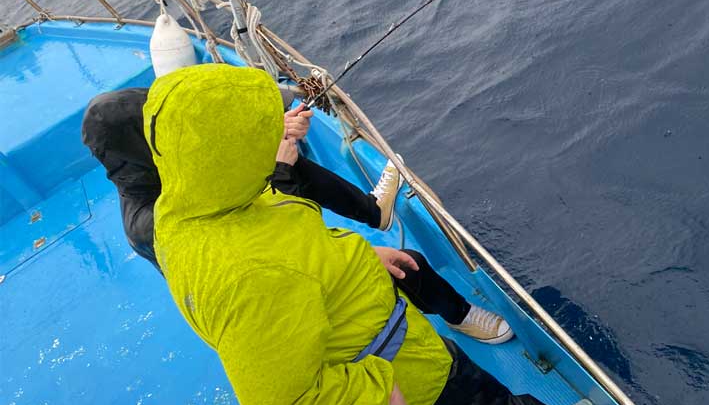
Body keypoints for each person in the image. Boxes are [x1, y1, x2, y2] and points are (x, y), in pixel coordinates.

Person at [137, 64, 598, 405]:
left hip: (364, 335)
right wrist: (376, 387)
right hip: (400, 366)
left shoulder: (182, 211)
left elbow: (285, 249)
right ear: (232, 154)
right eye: (264, 128)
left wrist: (356, 257)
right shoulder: (254, 278)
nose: (278, 128)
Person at [82, 87, 512, 345]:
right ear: (145, 146)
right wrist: (280, 171)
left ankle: (377, 216)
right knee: (405, 268)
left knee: (398, 261)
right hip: (272, 301)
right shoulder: (150, 225)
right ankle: (448, 323)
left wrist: (279, 133)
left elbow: (234, 176)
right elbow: (269, 242)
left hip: (284, 261)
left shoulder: (172, 169)